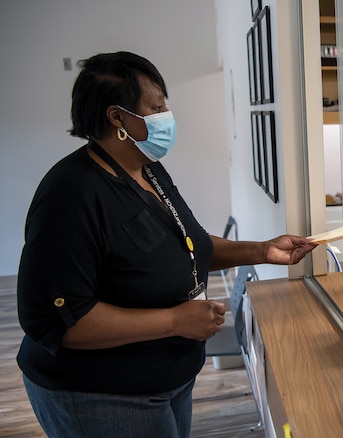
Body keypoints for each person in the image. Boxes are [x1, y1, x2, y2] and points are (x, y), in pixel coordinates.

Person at [16, 51, 318, 438]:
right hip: (103, 396)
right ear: (117, 117)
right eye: (156, 108)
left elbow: (186, 244)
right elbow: (61, 320)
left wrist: (261, 250)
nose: (166, 117)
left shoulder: (148, 170)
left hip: (170, 378)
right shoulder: (71, 193)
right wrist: (175, 320)